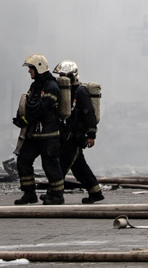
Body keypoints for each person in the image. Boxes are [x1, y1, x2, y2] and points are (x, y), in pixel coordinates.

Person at [12, 54, 65, 205]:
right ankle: (29, 194)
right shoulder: (35, 85)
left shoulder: (51, 86)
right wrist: (20, 118)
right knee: (23, 160)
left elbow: (43, 109)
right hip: (34, 134)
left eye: (31, 68)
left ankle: (57, 196)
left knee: (50, 165)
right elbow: (29, 103)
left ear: (39, 68)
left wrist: (25, 120)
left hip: (49, 136)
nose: (29, 71)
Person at [52, 61, 104, 204]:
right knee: (79, 168)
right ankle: (95, 192)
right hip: (68, 135)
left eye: (63, 75)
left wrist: (91, 135)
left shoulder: (81, 92)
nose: (60, 78)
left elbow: (89, 114)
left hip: (76, 137)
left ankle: (53, 193)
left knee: (62, 164)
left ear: (71, 75)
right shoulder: (66, 92)